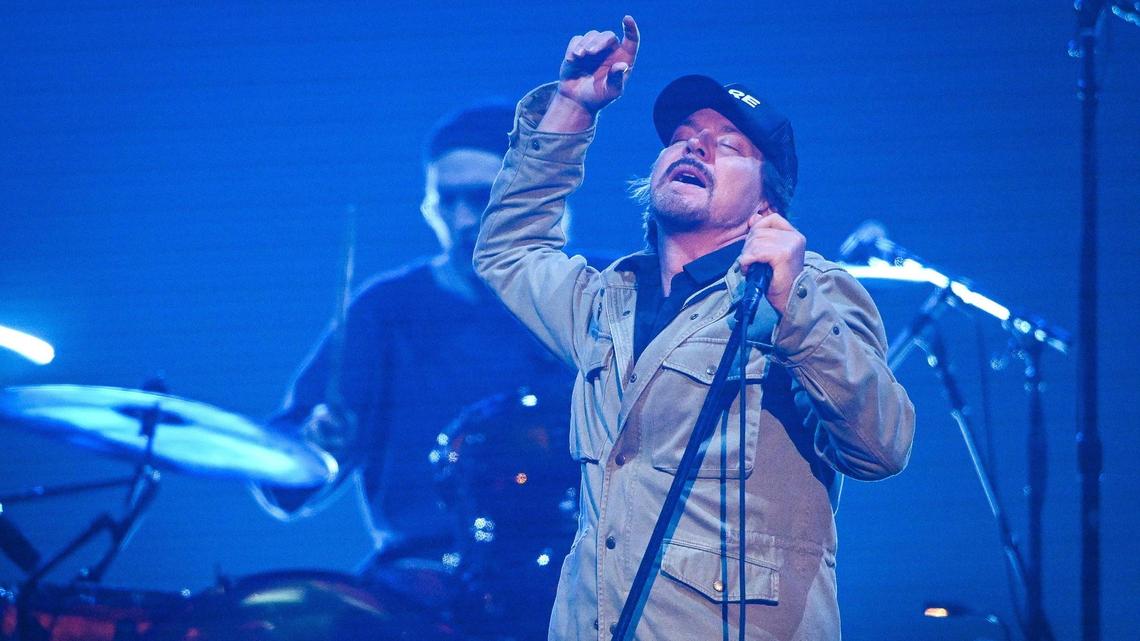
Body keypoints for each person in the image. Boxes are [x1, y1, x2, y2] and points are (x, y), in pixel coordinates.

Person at [473, 15, 916, 641]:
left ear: (766, 204)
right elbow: (509, 251)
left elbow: (881, 446)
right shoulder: (608, 302)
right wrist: (572, 106)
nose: (696, 147)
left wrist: (794, 309)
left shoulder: (807, 291)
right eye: (683, 137)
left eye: (729, 146)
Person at [252, 102, 573, 584]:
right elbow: (289, 472)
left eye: (480, 198)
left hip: (580, 577)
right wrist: (313, 444)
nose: (463, 220)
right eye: (447, 201)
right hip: (425, 578)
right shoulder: (386, 311)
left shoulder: (593, 293)